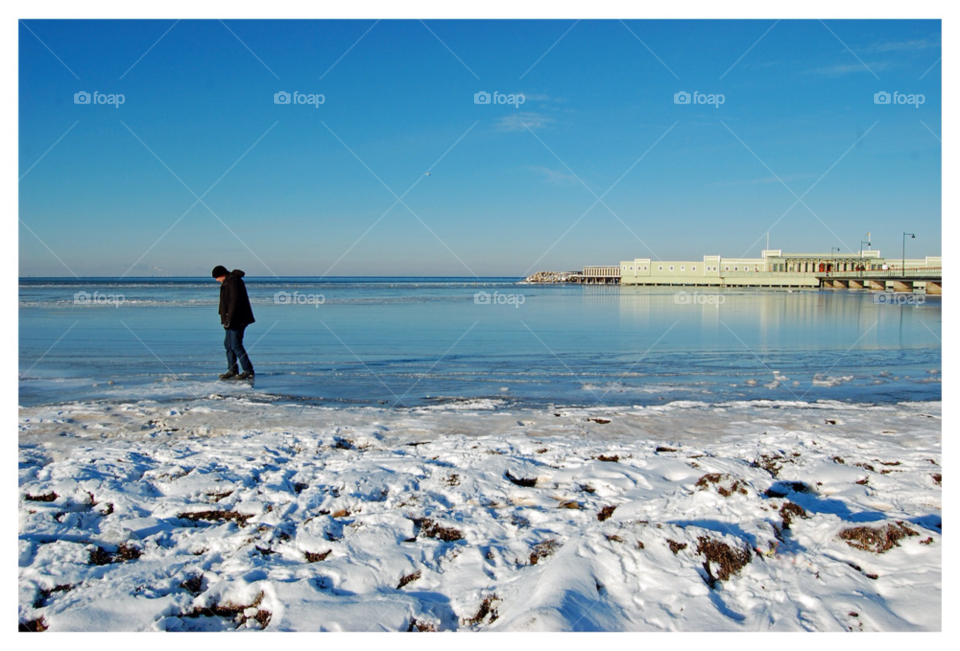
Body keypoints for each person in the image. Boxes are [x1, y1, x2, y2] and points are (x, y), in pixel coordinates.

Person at [212, 265, 256, 380]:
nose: (217, 280)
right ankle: (232, 369)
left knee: (236, 345)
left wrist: (229, 319)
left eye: (217, 277)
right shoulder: (227, 282)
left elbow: (234, 302)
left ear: (222, 275)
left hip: (238, 319)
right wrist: (224, 318)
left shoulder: (233, 282)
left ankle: (248, 371)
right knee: (228, 344)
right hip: (230, 319)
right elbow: (225, 302)